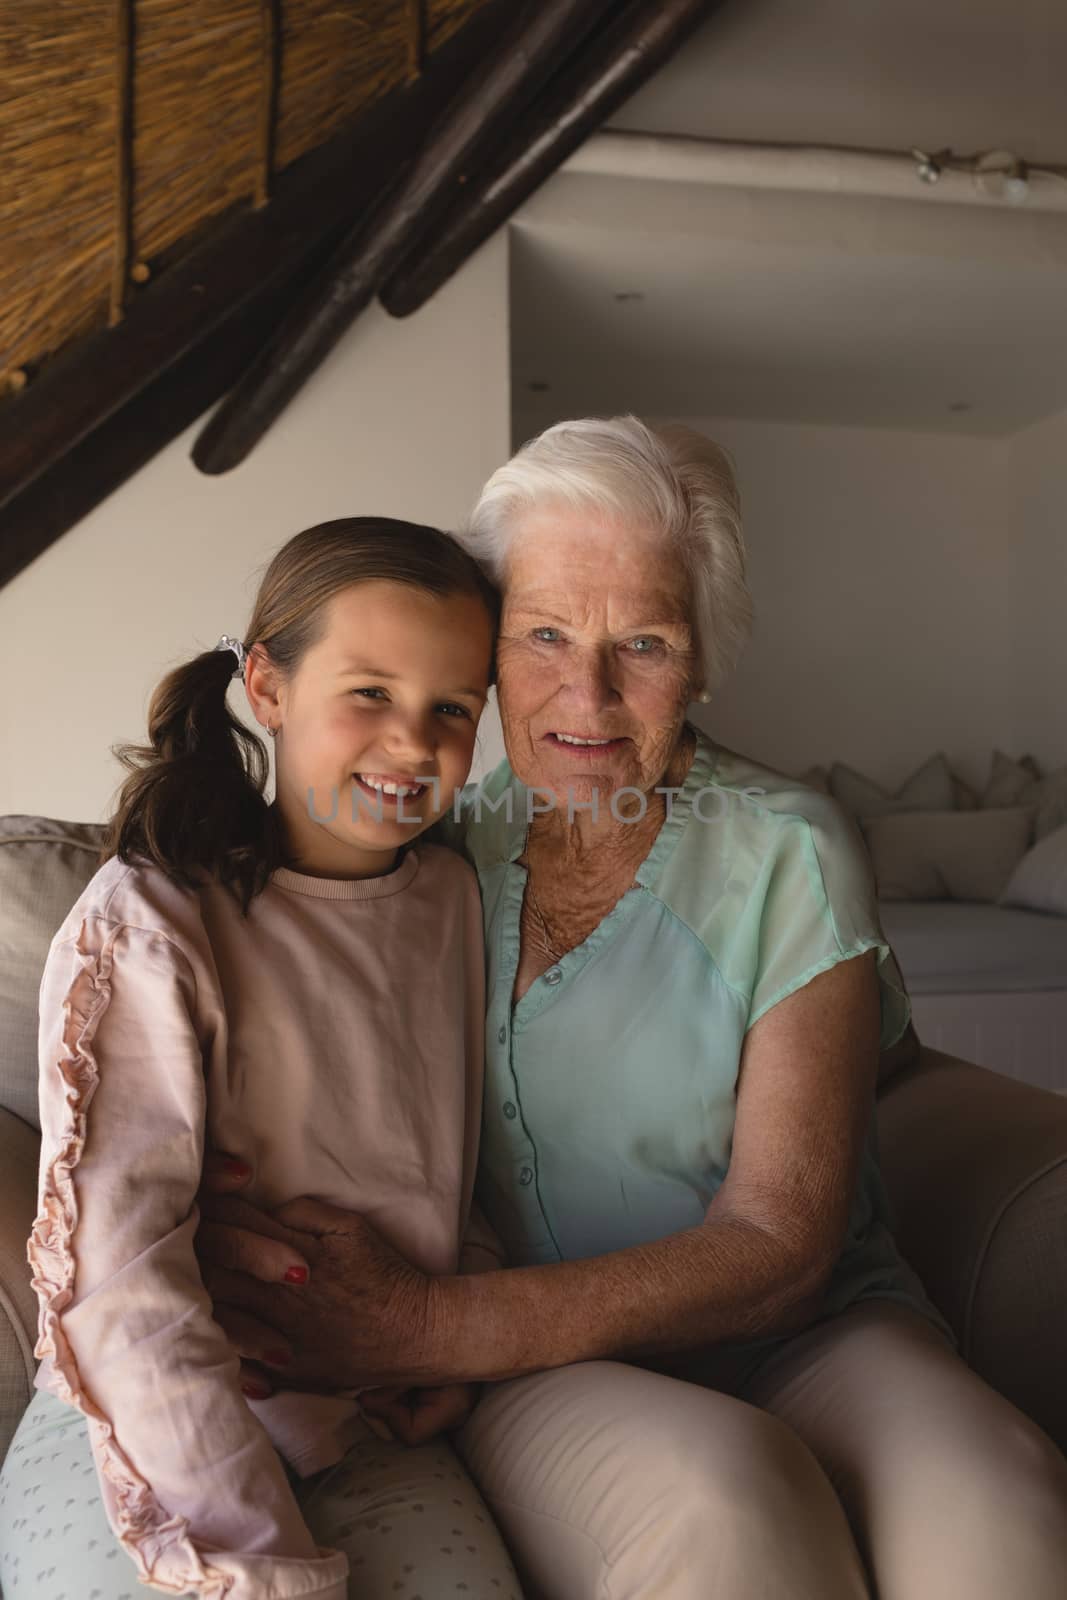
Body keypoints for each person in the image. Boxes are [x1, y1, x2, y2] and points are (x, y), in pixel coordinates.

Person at [192, 419, 1067, 1600]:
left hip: (804, 1336)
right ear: (485, 651)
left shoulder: (784, 850)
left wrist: (423, 1327)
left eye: (641, 643)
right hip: (537, 1360)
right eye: (542, 634)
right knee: (725, 1503)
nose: (586, 694)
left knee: (997, 1500)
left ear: (700, 660)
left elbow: (779, 1246)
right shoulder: (426, 842)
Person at [0, 519, 525, 1600]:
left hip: (370, 1418)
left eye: (452, 709)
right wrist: (256, 1564)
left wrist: (448, 1343)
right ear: (267, 686)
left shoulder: (450, 902)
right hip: (150, 1423)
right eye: (368, 692)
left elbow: (444, 1156)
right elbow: (122, 1277)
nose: (411, 744)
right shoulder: (152, 920)